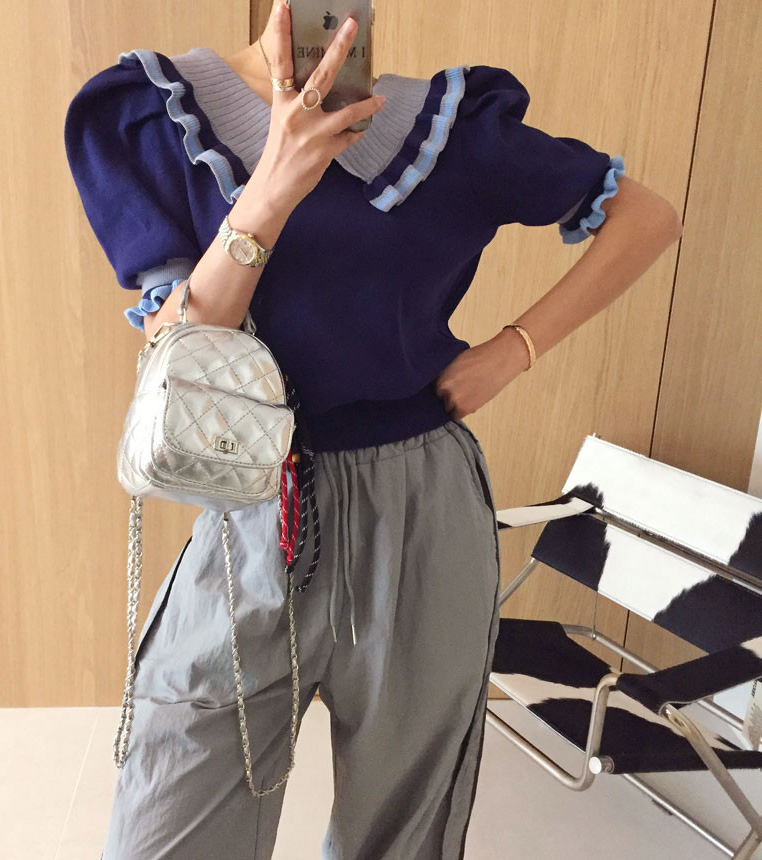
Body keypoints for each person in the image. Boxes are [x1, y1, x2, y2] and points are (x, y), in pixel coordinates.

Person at [63, 0, 680, 856]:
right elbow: (183, 342)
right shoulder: (157, 110)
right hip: (254, 509)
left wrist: (511, 351)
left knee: (402, 830)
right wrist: (272, 186)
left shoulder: (450, 125)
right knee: (169, 821)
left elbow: (647, 217)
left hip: (424, 510)